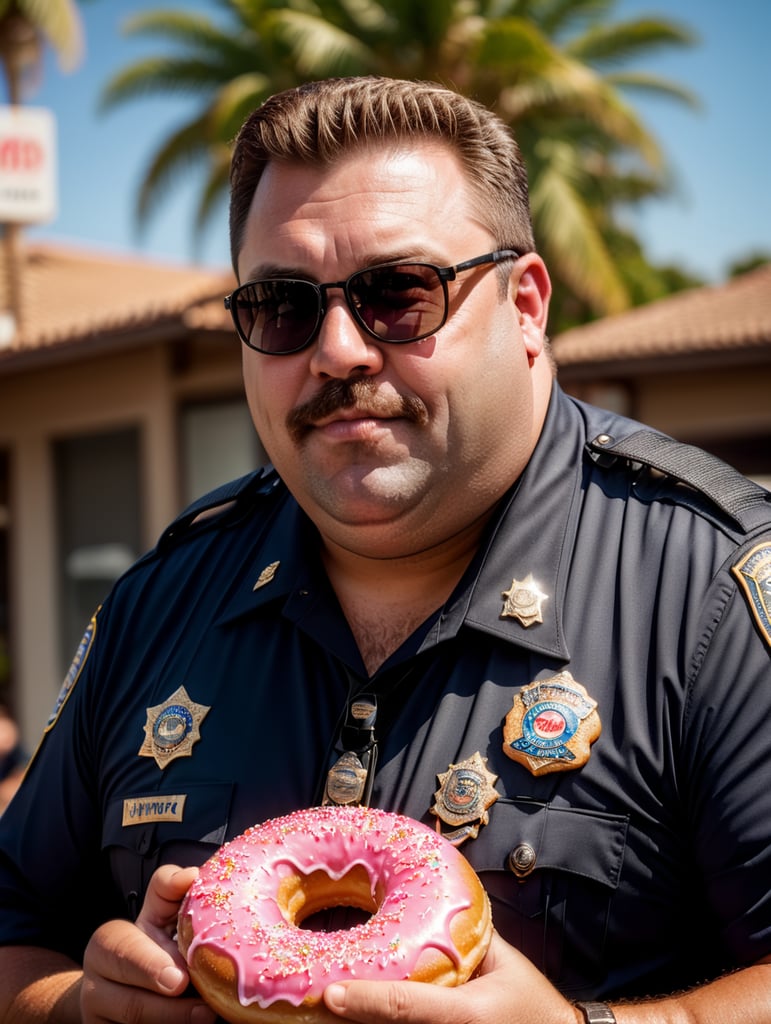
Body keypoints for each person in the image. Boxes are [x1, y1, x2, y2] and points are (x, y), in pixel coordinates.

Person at [0, 75, 770, 1024]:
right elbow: (12, 928)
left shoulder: (708, 594)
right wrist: (76, 1004)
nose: (337, 351)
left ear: (526, 306)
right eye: (281, 305)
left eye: (398, 294)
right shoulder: (161, 601)